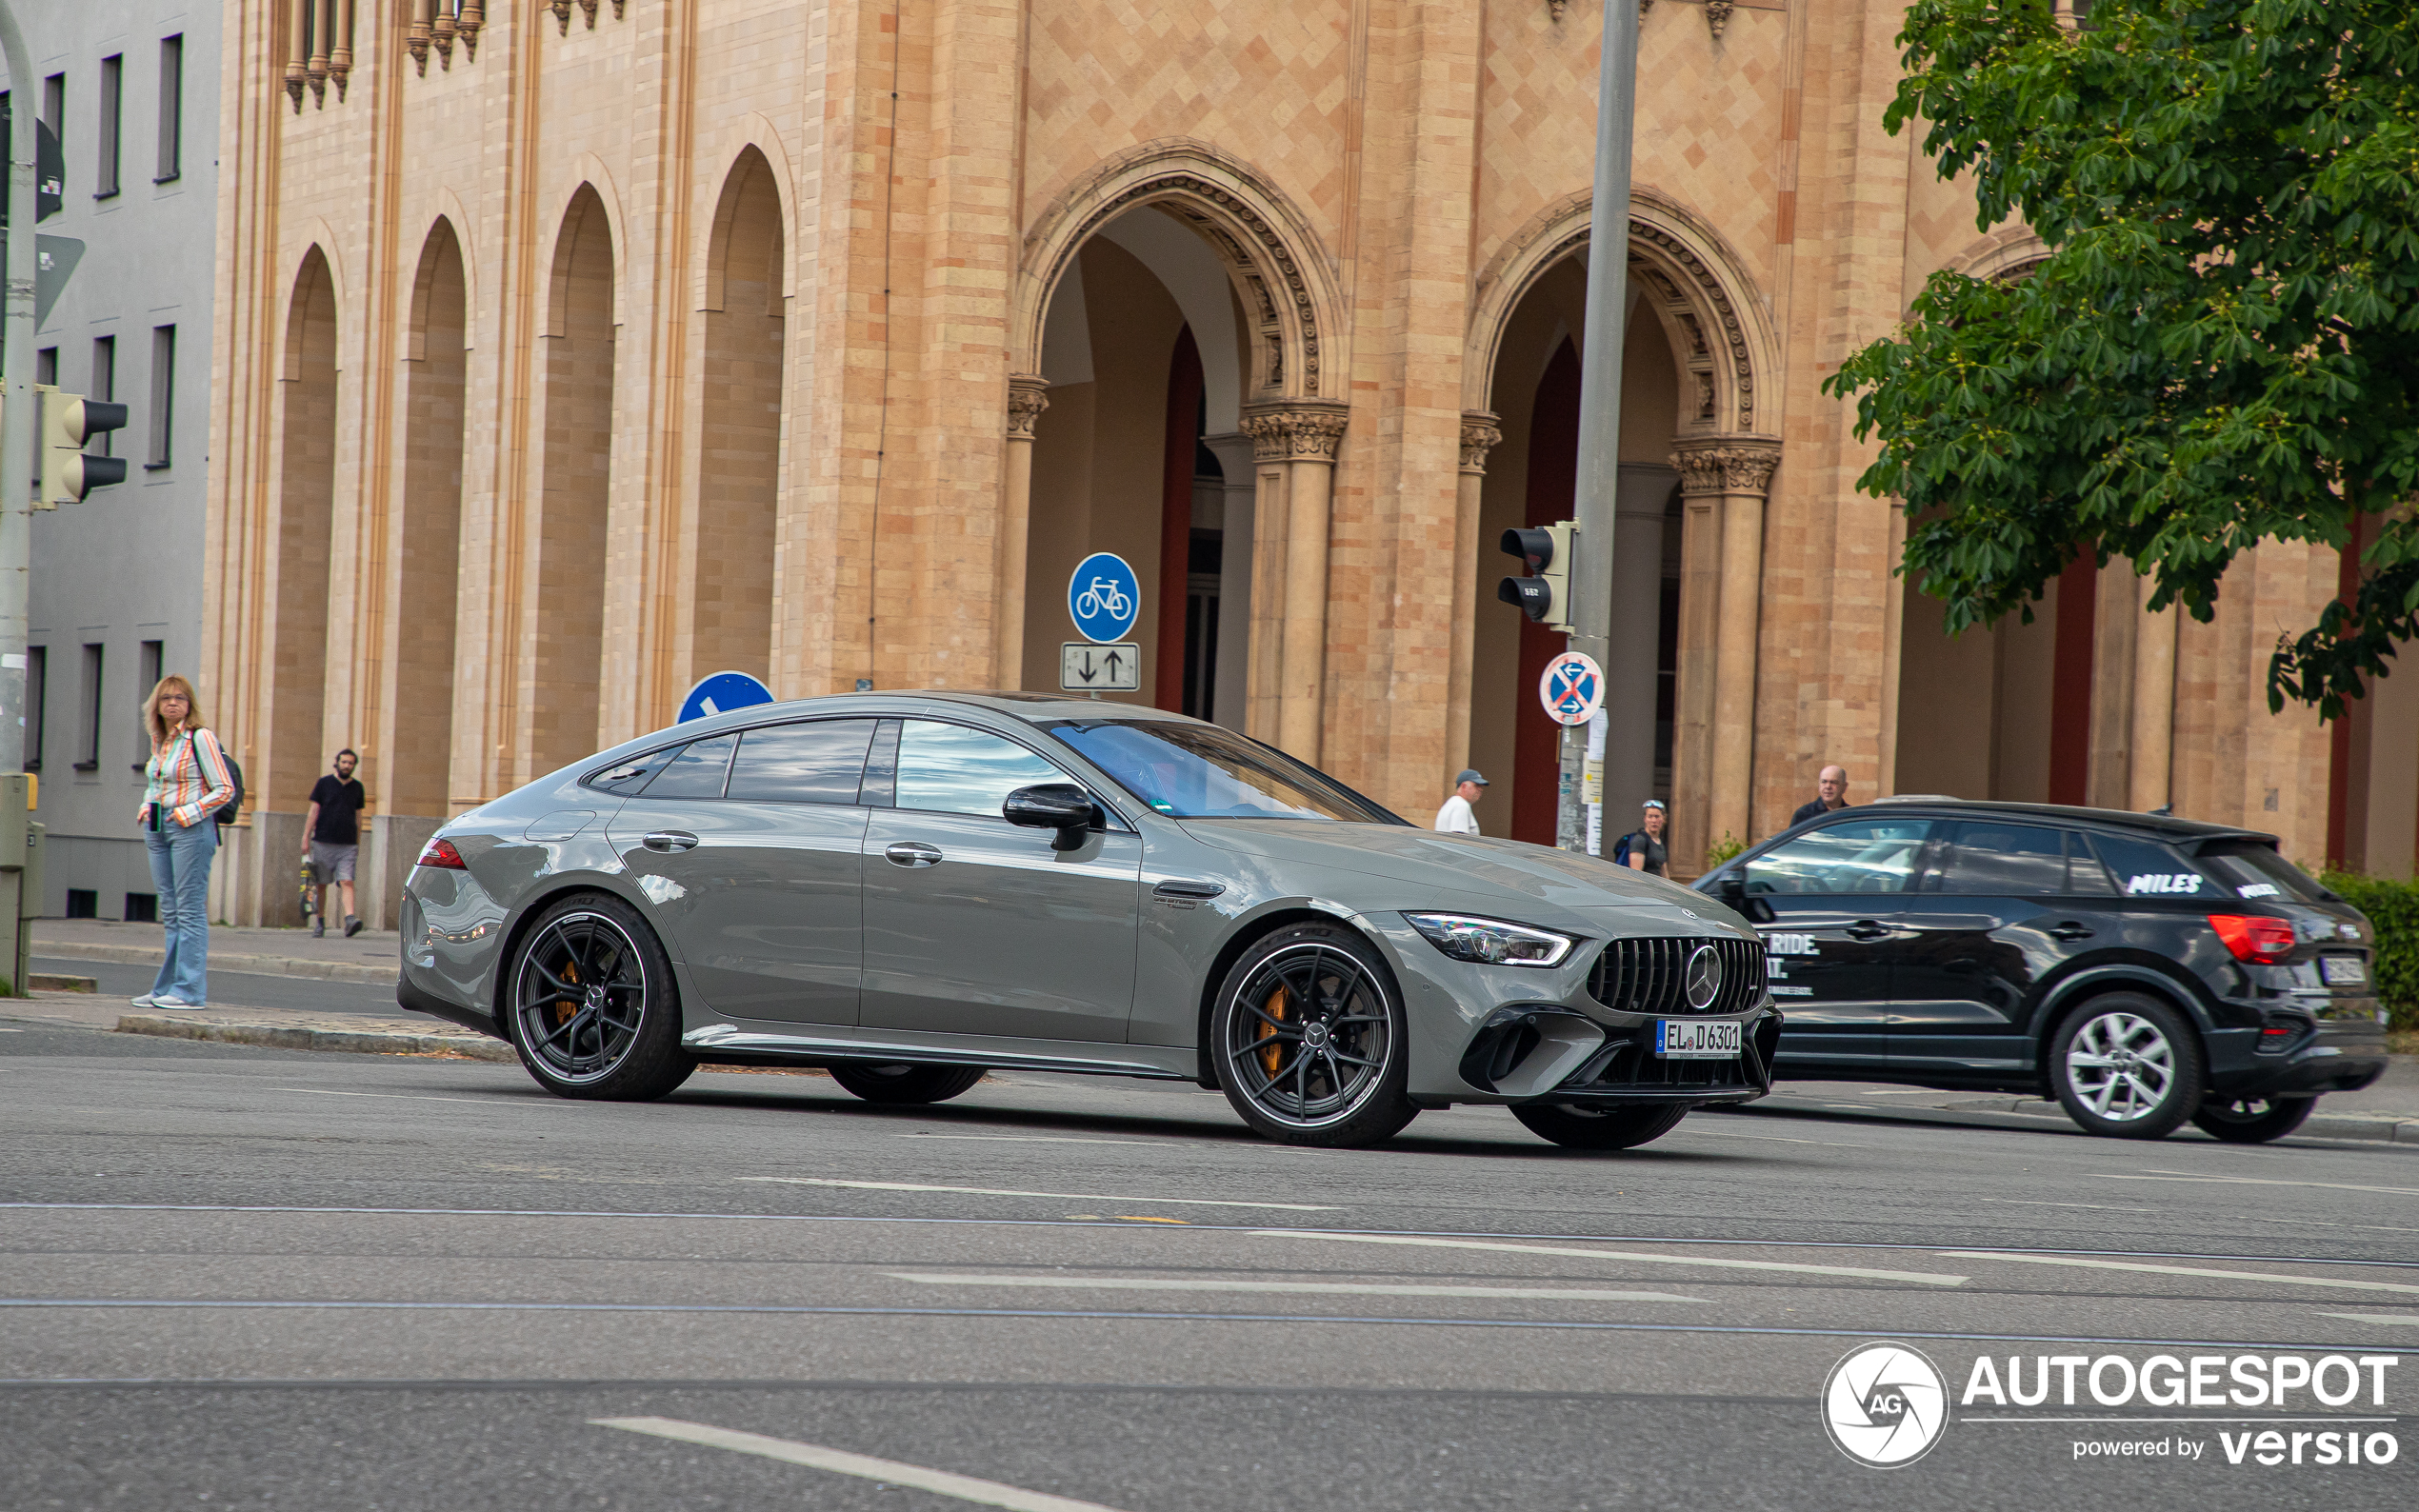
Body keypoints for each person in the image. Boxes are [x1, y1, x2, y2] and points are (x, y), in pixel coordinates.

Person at [131, 676, 235, 1009]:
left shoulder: (199, 738)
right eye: (166, 699)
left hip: (190, 829)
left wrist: (188, 813)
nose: (173, 703)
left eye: (180, 698)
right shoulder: (159, 740)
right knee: (172, 912)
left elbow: (225, 789)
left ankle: (189, 991)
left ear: (190, 705)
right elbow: (157, 782)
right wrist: (147, 806)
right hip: (158, 828)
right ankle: (166, 989)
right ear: (156, 706)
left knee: (189, 912)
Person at [303, 748, 370, 938]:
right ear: (337, 763)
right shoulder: (324, 784)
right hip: (323, 842)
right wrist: (305, 838)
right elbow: (314, 812)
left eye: (350, 763)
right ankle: (320, 922)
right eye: (344, 762)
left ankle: (350, 919)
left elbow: (359, 816)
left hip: (347, 845)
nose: (347, 766)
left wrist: (357, 842)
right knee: (322, 883)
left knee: (347, 881)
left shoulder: (357, 788)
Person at [1614, 799, 1669, 877]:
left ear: (1663, 819)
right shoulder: (1640, 840)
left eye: (1657, 817)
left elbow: (1664, 872)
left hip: (1656, 887)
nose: (1654, 820)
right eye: (1650, 817)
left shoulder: (1660, 842)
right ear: (1645, 819)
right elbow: (1636, 873)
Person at [1790, 764, 1851, 828]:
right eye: (1824, 782)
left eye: (1834, 782)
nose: (1828, 786)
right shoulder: (1804, 815)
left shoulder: (1851, 816)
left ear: (1844, 787)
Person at [1434, 769, 1489, 835]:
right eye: (1476, 785)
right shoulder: (1461, 805)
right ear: (1464, 786)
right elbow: (1459, 838)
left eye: (1481, 786)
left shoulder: (1452, 803)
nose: (1480, 789)